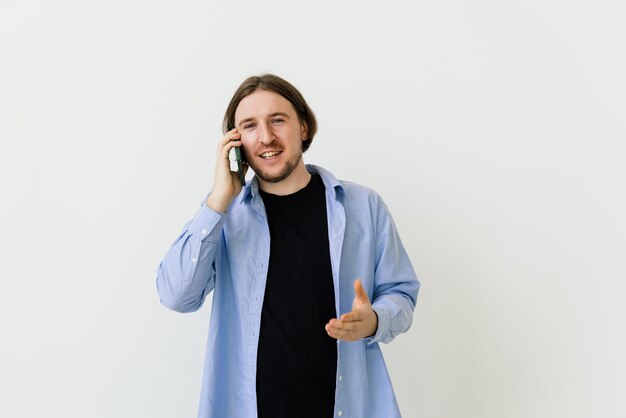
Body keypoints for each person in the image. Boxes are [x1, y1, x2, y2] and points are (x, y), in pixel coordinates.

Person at [156, 74, 420, 418]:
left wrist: (373, 320)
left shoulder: (362, 206)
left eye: (277, 120)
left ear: (304, 128)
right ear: (235, 143)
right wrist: (218, 199)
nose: (266, 137)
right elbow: (176, 295)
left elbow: (401, 293)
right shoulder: (223, 217)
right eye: (249, 126)